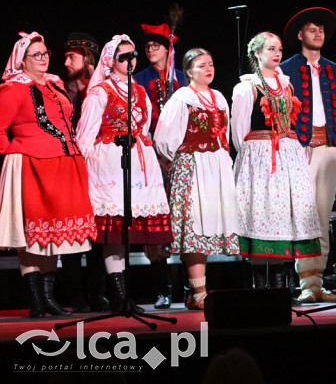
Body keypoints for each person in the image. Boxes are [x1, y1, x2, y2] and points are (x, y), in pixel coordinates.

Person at [0, 32, 97, 317]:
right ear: (22, 59)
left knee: (53, 233)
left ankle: (48, 297)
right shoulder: (13, 88)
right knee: (32, 233)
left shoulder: (55, 83)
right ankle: (36, 301)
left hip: (64, 163)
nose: (43, 59)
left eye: (45, 54)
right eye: (36, 55)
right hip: (30, 162)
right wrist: (13, 154)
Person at [76, 34, 173, 312]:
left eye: (133, 56)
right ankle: (119, 297)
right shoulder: (100, 92)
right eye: (123, 57)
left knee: (129, 234)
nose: (130, 61)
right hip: (110, 165)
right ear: (111, 60)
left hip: (140, 166)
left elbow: (144, 130)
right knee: (115, 233)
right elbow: (85, 135)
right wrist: (83, 171)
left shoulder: (140, 92)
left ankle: (126, 296)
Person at [231, 32, 321, 289]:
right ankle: (260, 287)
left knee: (284, 216)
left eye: (279, 49)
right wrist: (252, 157)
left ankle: (281, 286)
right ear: (257, 53)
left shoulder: (287, 84)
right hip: (260, 157)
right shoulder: (246, 87)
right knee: (262, 215)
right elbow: (238, 132)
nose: (277, 53)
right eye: (271, 49)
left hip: (288, 157)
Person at [153, 48, 240, 310]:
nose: (208, 69)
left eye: (211, 64)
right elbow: (164, 139)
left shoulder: (220, 97)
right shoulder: (181, 98)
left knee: (209, 224)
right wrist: (184, 158)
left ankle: (197, 292)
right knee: (195, 227)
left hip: (217, 165)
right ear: (189, 71)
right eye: (201, 65)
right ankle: (199, 292)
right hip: (192, 167)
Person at [279, 7, 336, 303]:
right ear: (300, 35)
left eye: (321, 29)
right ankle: (306, 280)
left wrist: (332, 141)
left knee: (322, 215)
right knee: (303, 216)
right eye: (311, 29)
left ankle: (319, 280)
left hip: (328, 146)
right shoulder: (287, 68)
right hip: (300, 147)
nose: (318, 33)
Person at [134, 21, 188, 309]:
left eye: (156, 45)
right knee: (156, 225)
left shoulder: (183, 78)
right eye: (147, 46)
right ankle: (163, 288)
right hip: (153, 158)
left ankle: (194, 286)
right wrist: (156, 154)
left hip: (186, 156)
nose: (150, 50)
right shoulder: (139, 79)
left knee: (189, 220)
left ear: (168, 49)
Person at [59, 31, 109, 313]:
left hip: (99, 169)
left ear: (87, 58)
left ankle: (97, 294)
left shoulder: (102, 90)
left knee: (98, 235)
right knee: (73, 233)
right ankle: (75, 295)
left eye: (71, 56)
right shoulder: (60, 90)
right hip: (69, 169)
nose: (66, 62)